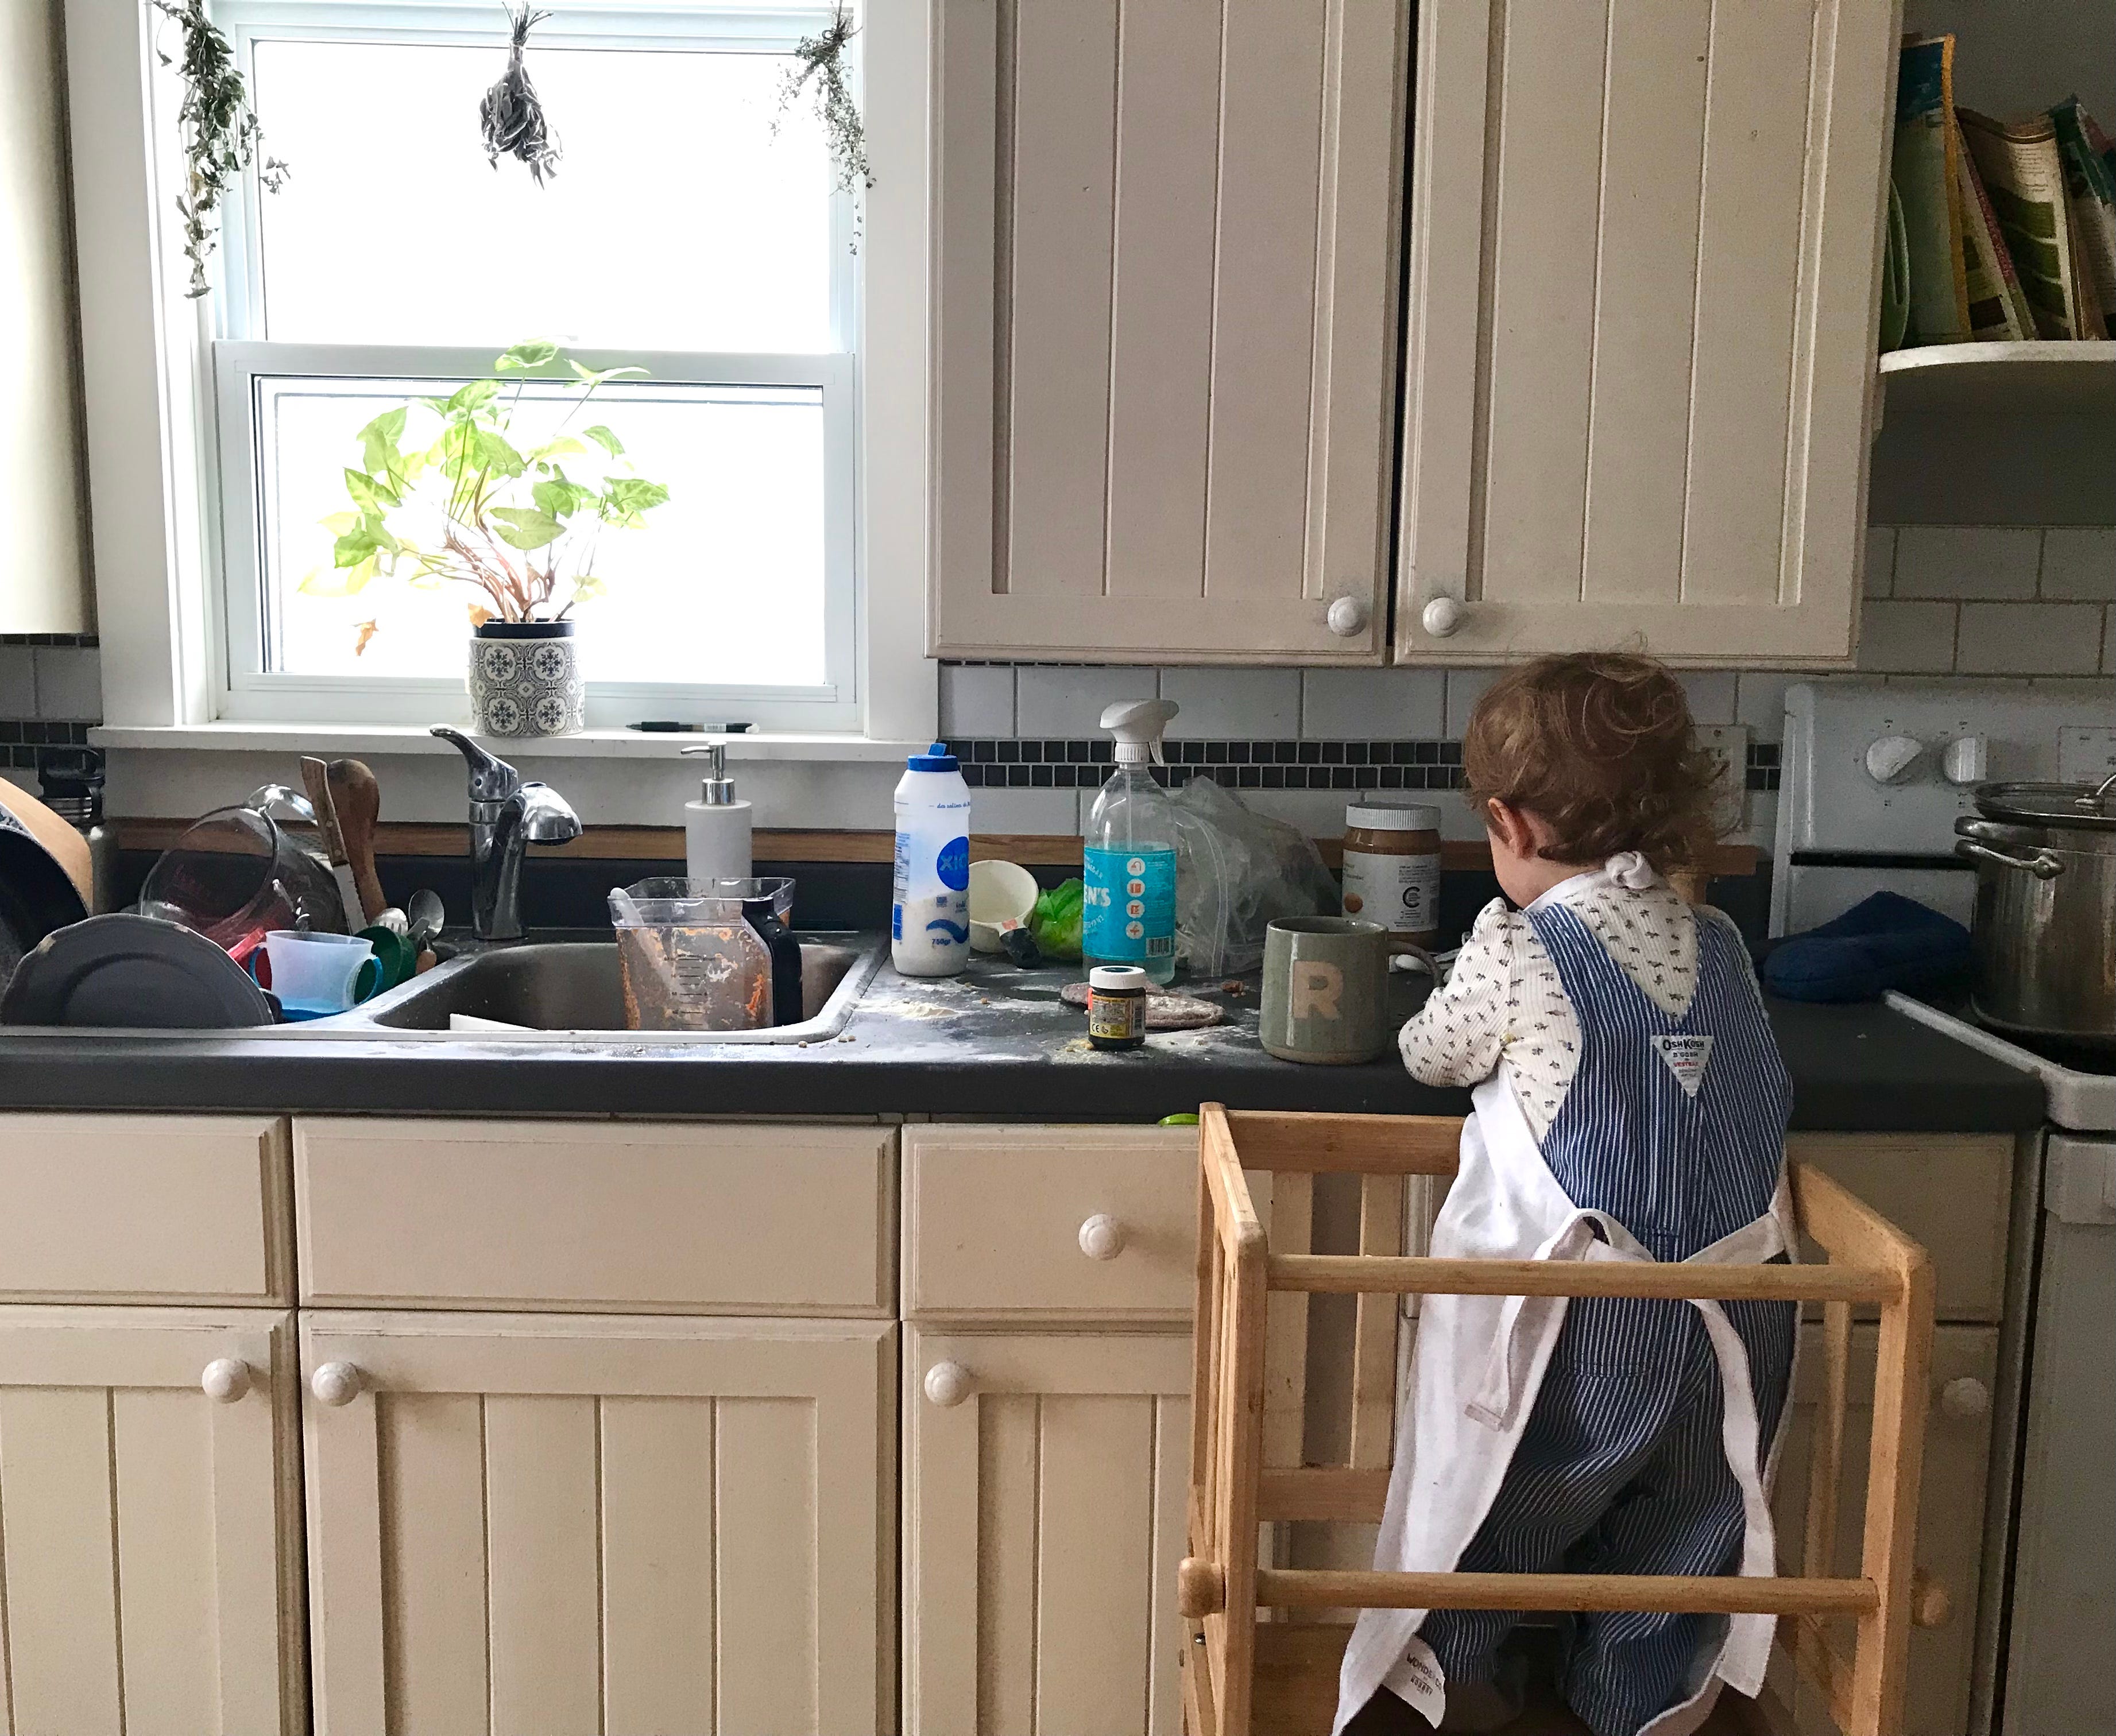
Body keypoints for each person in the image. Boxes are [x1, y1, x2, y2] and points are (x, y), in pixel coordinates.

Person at [1335, 652, 1797, 1736]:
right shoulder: (1722, 942)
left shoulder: (1516, 945)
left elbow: (1430, 1054)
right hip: (1743, 1320)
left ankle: (1447, 1694)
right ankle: (1630, 1708)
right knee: (1681, 1542)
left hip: (1592, 1322)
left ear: (1507, 822)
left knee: (1502, 1513)